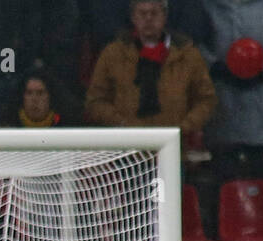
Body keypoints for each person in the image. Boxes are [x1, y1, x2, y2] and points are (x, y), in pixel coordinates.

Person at [200, 0, 263, 181]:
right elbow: (194, 44)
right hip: (220, 111)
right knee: (222, 181)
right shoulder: (205, 6)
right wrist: (214, 67)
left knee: (261, 179)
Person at [83, 0, 214, 138]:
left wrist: (184, 127)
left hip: (176, 145)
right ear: (133, 17)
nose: (148, 19)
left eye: (154, 13)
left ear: (165, 16)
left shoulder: (188, 54)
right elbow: (96, 100)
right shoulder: (113, 54)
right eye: (142, 13)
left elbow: (206, 99)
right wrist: (121, 124)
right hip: (126, 147)